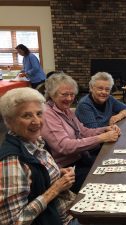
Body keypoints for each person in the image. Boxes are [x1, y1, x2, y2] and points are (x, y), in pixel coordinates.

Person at [0, 87, 79, 225]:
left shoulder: (35, 141)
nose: (36, 121)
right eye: (27, 115)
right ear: (9, 121)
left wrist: (58, 173)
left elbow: (32, 176)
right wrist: (55, 189)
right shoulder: (12, 161)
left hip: (67, 210)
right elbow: (14, 221)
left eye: (39, 113)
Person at [41, 72, 121, 193]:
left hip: (81, 159)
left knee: (114, 169)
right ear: (52, 94)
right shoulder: (47, 114)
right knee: (107, 181)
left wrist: (104, 129)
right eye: (64, 94)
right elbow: (64, 146)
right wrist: (101, 138)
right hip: (67, 170)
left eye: (72, 94)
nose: (69, 98)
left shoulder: (66, 110)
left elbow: (83, 131)